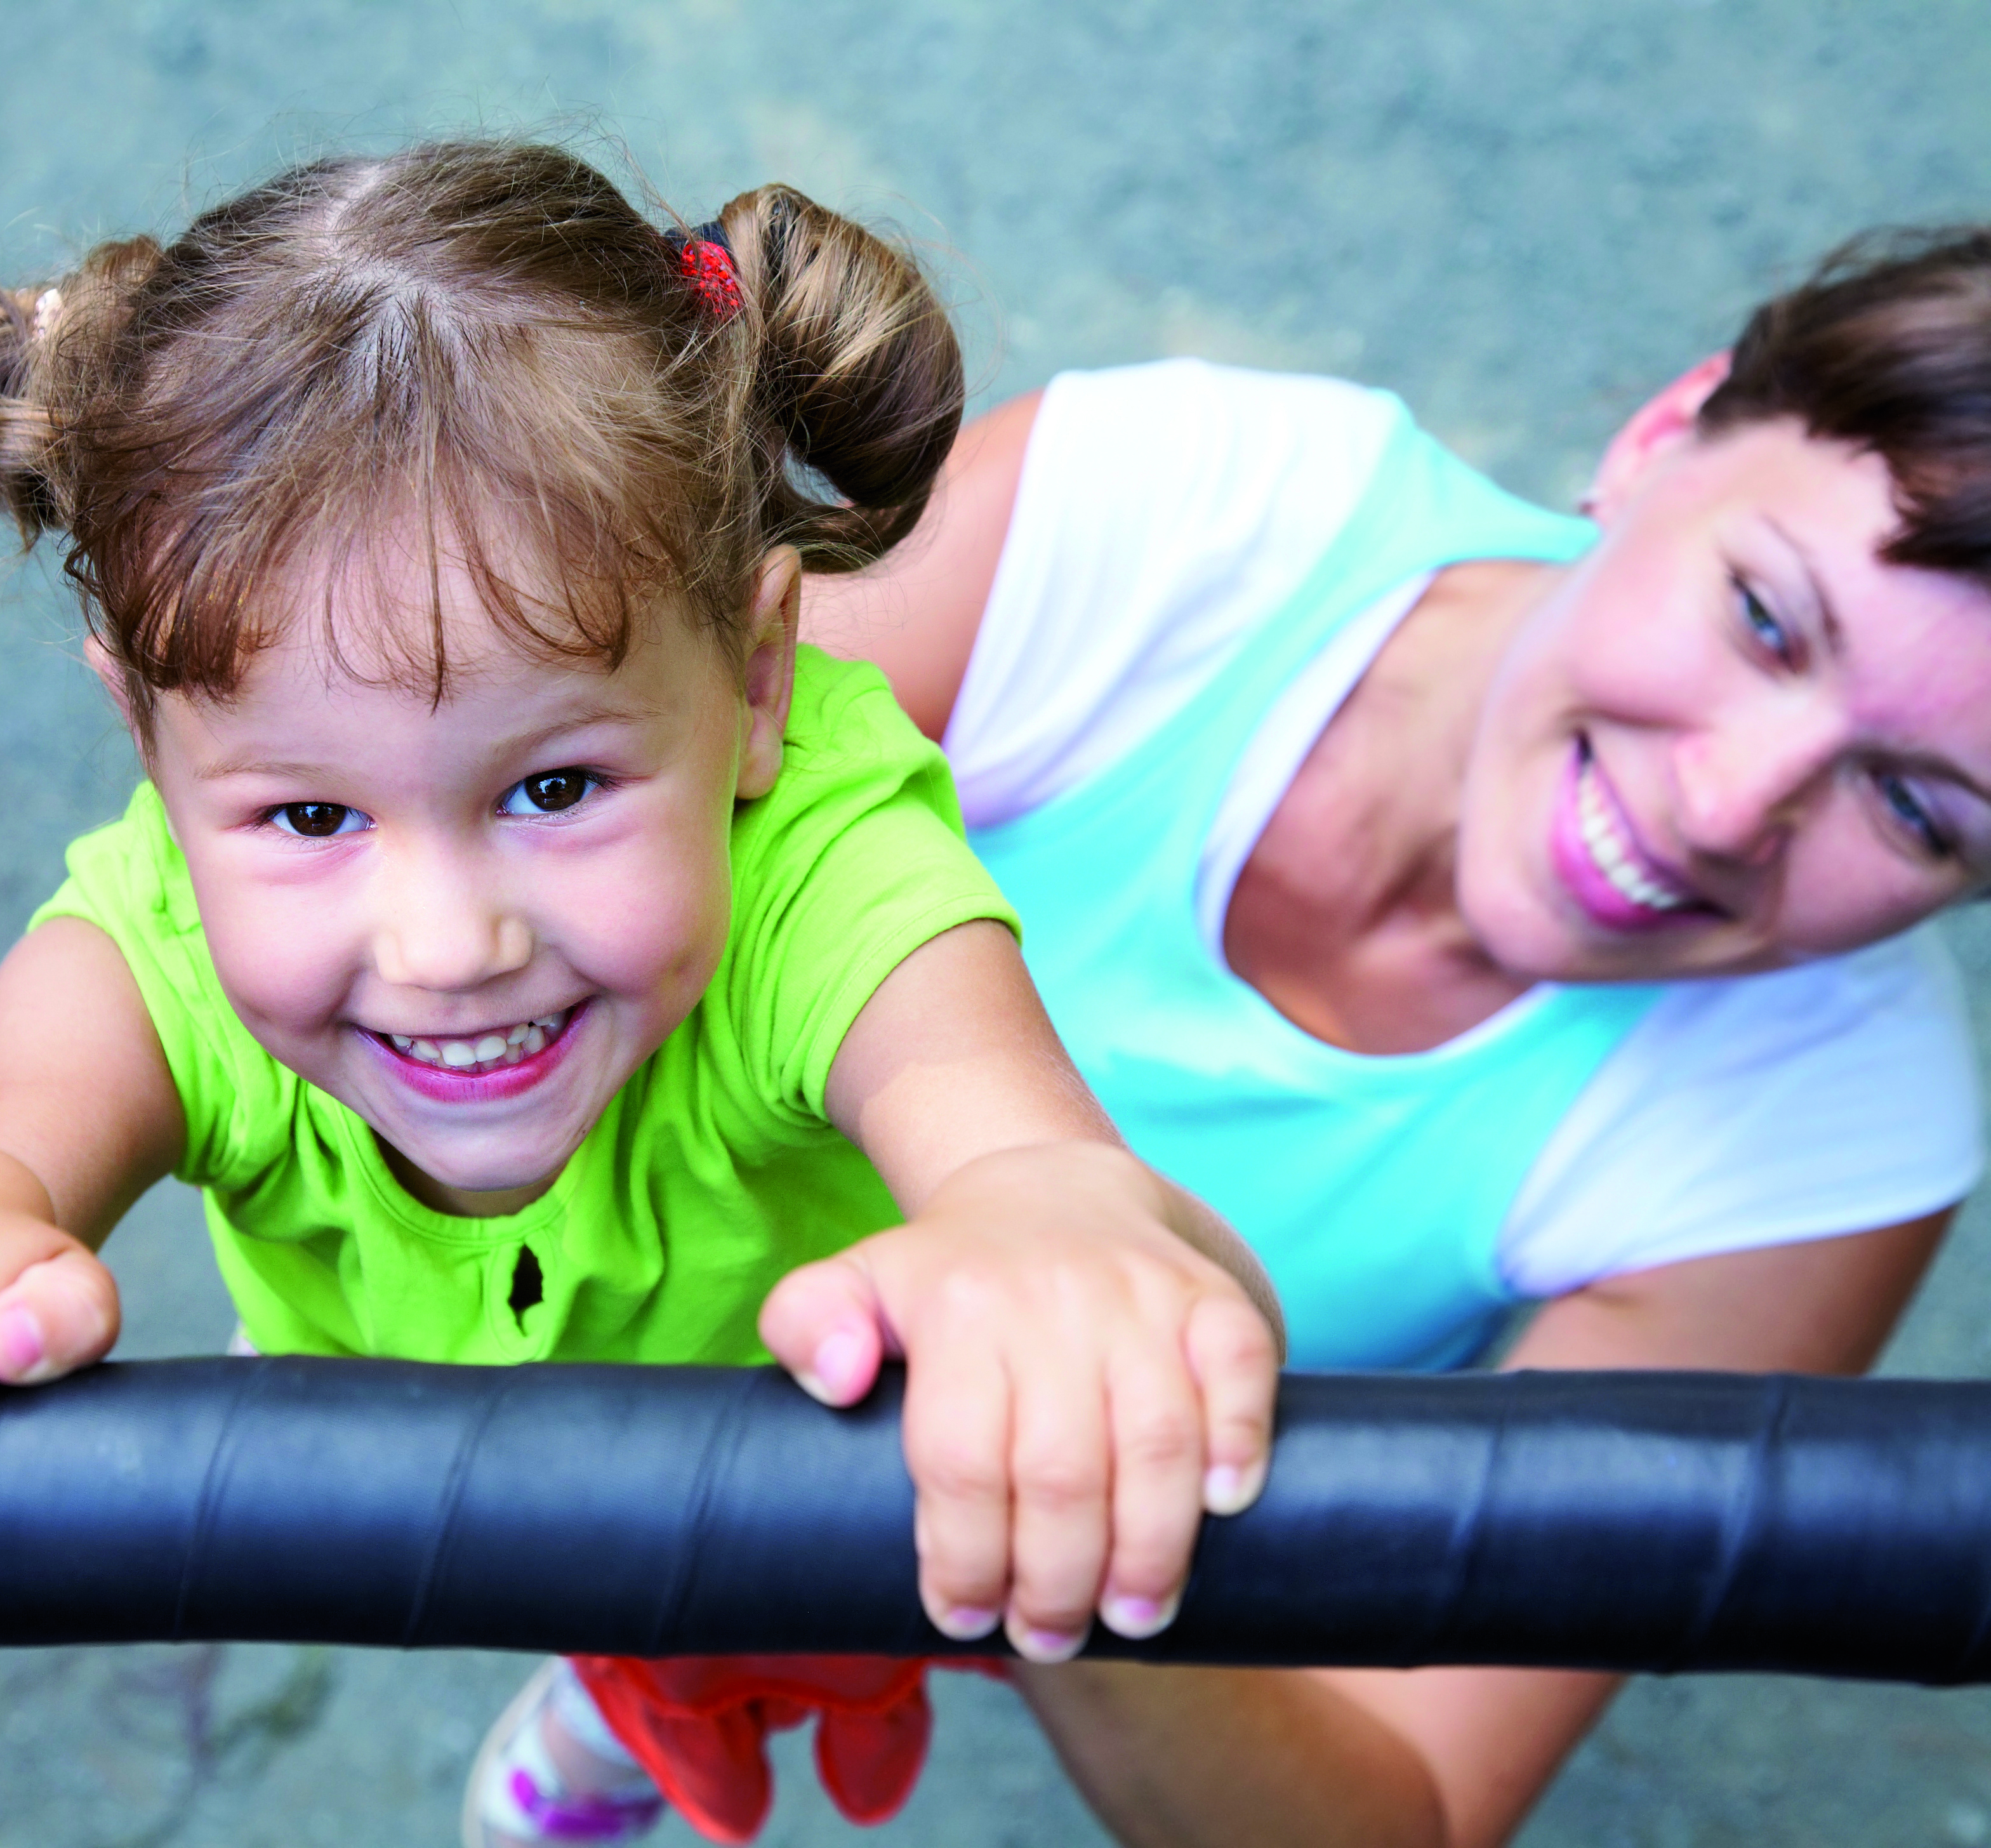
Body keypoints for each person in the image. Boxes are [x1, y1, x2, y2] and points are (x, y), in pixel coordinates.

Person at [0, 142, 1283, 1848]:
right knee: (633, 1628)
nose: (442, 942)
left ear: (761, 682)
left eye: (552, 789)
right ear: (153, 755)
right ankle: (612, 1711)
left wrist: (1039, 1215)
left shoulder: (826, 862)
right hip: (538, 1473)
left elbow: (1004, 1139)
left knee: (1028, 1548)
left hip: (854, 1475)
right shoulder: (159, 937)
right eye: (311, 815)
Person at [799, 225, 1991, 1846]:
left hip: (1029, 1545)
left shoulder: (1833, 1129)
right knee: (616, 1630)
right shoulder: (1169, 518)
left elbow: (1406, 1802)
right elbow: (575, 838)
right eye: (1768, 621)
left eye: (1918, 806)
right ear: (1662, 436)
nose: (1723, 805)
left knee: (688, 1606)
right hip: (613, 1289)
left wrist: (1051, 1487)